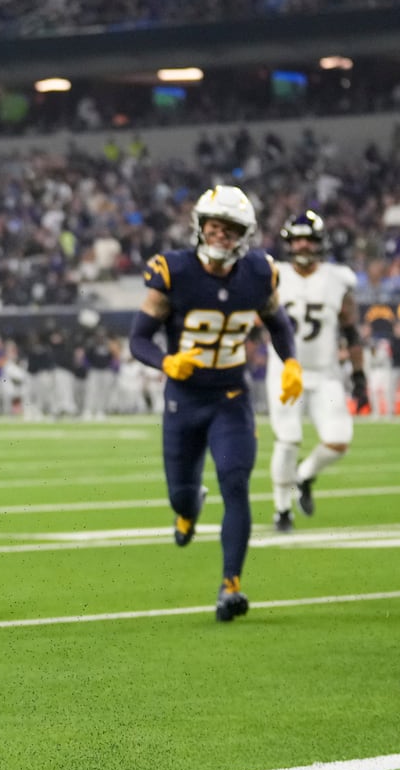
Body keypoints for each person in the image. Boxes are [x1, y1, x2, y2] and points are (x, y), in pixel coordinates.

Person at [129, 185, 302, 622]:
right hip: (184, 400)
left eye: (229, 229)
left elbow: (277, 324)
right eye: (213, 226)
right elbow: (137, 339)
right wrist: (168, 363)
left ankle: (231, 585)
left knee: (236, 482)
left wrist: (291, 363)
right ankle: (188, 510)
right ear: (200, 227)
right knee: (182, 497)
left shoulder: (261, 273)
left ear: (244, 234)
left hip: (231, 397)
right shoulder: (174, 271)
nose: (220, 235)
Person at [265, 210, 367, 532]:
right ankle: (282, 509)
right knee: (288, 439)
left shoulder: (339, 278)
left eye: (308, 239)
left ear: (320, 242)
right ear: (288, 243)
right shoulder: (273, 274)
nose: (303, 245)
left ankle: (304, 475)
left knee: (339, 440)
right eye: (297, 239)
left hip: (326, 373)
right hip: (286, 371)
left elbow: (351, 331)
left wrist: (359, 374)